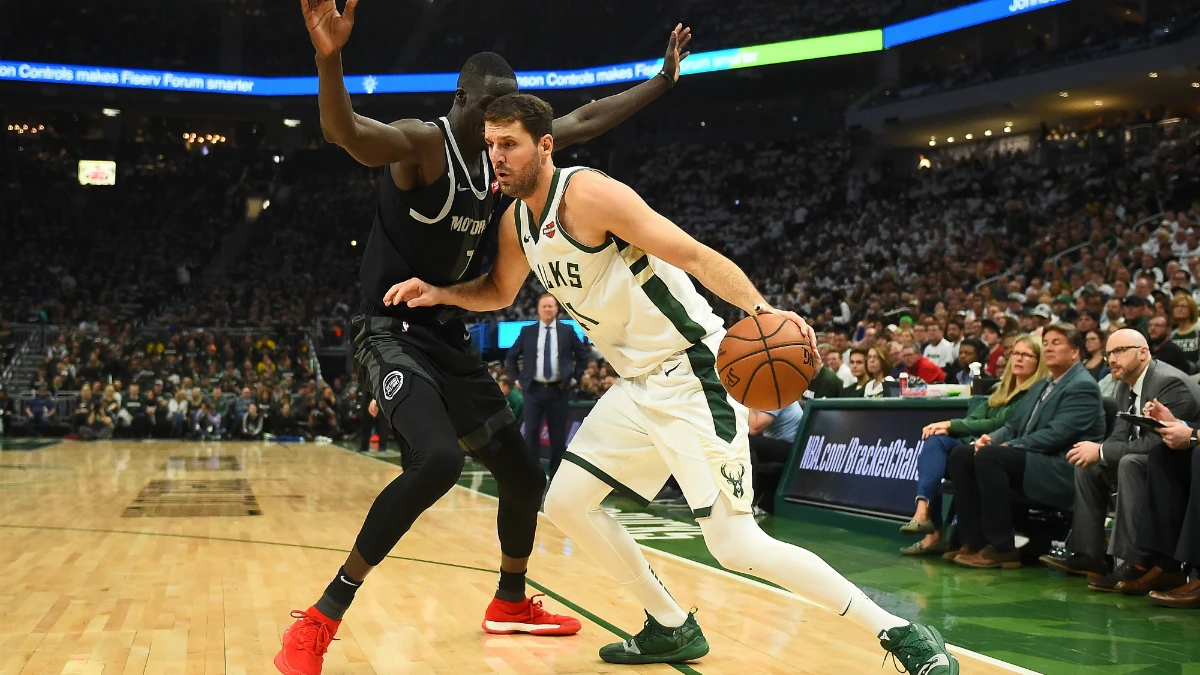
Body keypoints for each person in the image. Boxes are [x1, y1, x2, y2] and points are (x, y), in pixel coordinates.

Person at [383, 93, 958, 673]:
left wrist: (761, 310)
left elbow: (695, 255)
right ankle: (669, 624)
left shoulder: (589, 194)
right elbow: (501, 291)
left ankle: (901, 632)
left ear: (545, 145)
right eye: (490, 146)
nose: (497, 158)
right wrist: (441, 293)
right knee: (566, 503)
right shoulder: (516, 222)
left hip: (690, 371)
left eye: (509, 144)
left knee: (733, 545)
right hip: (636, 386)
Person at [275, 3, 696, 673]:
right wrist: (330, 58)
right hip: (390, 331)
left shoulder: (504, 156)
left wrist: (662, 82)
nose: (504, 126)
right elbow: (346, 131)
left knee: (525, 477)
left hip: (447, 332)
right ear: (463, 99)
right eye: (493, 110)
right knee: (438, 460)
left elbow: (585, 120)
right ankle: (324, 613)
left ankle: (510, 600)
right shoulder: (423, 144)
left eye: (513, 117)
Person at [1039, 329, 1200, 589]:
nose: (1112, 359)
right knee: (1088, 466)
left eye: (1120, 351)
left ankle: (1133, 561)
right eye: (1109, 353)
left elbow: (1161, 441)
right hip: (1155, 458)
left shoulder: (1169, 382)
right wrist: (1098, 452)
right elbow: (1118, 436)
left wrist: (1102, 452)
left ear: (1144, 352)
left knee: (1129, 463)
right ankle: (1088, 554)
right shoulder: (1126, 384)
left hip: (1176, 463)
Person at [947, 324, 1105, 569]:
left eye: (1057, 342)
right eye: (1047, 342)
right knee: (962, 454)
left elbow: (1056, 435)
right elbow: (1014, 424)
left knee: (991, 457)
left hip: (1060, 465)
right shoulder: (1042, 384)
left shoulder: (1082, 386)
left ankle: (1002, 547)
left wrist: (1012, 446)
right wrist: (991, 438)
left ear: (1074, 353)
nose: (1049, 347)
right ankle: (973, 541)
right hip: (1033, 456)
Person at [900, 334, 1047, 556]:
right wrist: (950, 427)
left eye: (1027, 355)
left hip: (1001, 448)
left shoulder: (1035, 393)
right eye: (1016, 353)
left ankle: (932, 525)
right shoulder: (1000, 388)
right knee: (935, 442)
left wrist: (951, 424)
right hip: (976, 444)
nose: (1018, 359)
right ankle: (927, 522)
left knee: (956, 452)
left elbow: (998, 423)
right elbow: (977, 417)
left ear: (1038, 362)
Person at [505, 294, 589, 476]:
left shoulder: (567, 331)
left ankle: (555, 475)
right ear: (538, 309)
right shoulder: (528, 331)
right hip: (533, 390)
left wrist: (574, 378)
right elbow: (511, 357)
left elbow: (583, 355)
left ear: (557, 309)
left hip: (559, 390)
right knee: (531, 433)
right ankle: (533, 475)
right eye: (544, 306)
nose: (548, 310)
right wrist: (517, 379)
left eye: (551, 306)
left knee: (558, 437)